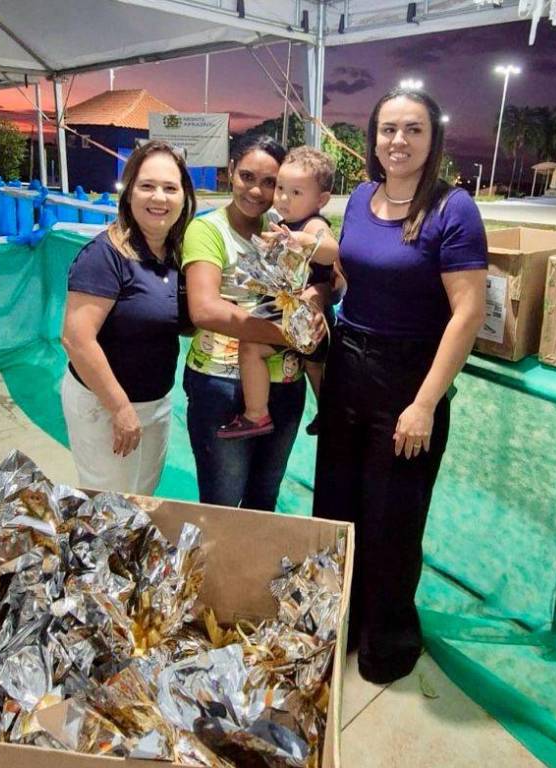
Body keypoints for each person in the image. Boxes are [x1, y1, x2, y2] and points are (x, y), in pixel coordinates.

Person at [313, 87, 488, 684]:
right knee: (336, 503)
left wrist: (425, 403)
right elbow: (356, 268)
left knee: (393, 517)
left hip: (409, 378)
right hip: (348, 365)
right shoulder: (362, 197)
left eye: (413, 129)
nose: (399, 140)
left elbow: (467, 312)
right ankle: (338, 622)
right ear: (373, 137)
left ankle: (386, 642)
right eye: (389, 129)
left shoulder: (453, 208)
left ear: (432, 139)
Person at [182, 134, 326, 510]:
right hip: (222, 386)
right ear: (231, 171)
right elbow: (205, 310)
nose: (257, 191)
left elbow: (331, 278)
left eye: (270, 182)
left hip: (286, 384)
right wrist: (291, 334)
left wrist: (314, 301)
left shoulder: (283, 228)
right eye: (247, 176)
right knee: (223, 503)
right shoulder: (207, 230)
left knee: (264, 500)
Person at [61, 140, 196, 494]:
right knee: (110, 505)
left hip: (155, 403)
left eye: (170, 188)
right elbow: (76, 339)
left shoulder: (176, 254)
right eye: (147, 185)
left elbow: (176, 321)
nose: (159, 197)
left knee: (141, 500)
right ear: (129, 192)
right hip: (105, 405)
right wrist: (119, 408)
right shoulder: (104, 256)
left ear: (184, 197)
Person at [217, 146, 338, 439]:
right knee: (314, 367)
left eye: (296, 192)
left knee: (251, 348)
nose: (283, 197)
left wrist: (302, 240)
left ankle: (256, 414)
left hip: (307, 320)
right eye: (281, 188)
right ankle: (329, 415)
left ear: (321, 200)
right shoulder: (283, 223)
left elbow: (332, 250)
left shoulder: (313, 224)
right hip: (298, 316)